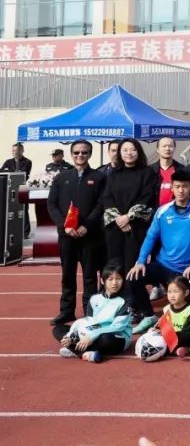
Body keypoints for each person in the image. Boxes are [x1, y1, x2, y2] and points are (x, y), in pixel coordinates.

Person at [129, 170, 190, 329]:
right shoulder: (162, 211)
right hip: (164, 265)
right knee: (133, 278)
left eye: (185, 186)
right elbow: (151, 237)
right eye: (177, 186)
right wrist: (140, 261)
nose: (181, 190)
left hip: (188, 269)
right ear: (171, 188)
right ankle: (149, 315)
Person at [100, 138, 160, 327]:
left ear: (138, 151)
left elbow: (148, 197)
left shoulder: (147, 173)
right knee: (115, 269)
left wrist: (129, 217)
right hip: (115, 229)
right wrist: (119, 218)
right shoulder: (113, 174)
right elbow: (107, 198)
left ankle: (143, 309)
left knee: (132, 271)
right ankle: (122, 308)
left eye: (132, 150)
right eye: (125, 150)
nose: (128, 153)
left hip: (136, 229)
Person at [47, 140, 105, 326]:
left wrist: (87, 225)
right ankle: (66, 311)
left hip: (89, 235)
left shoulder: (99, 177)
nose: (80, 155)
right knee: (68, 275)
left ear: (90, 154)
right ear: (71, 154)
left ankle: (90, 311)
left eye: (84, 152)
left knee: (90, 276)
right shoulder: (61, 177)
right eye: (77, 152)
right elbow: (52, 205)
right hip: (67, 235)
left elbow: (102, 204)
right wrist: (64, 225)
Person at [55, 263, 132, 363]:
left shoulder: (126, 300)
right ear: (102, 281)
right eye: (110, 279)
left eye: (118, 279)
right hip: (94, 331)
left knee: (105, 339)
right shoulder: (94, 298)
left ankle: (76, 349)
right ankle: (87, 352)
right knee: (58, 329)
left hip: (117, 335)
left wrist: (92, 336)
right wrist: (71, 335)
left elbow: (118, 327)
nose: (114, 283)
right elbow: (89, 322)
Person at [155, 276, 190, 359]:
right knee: (154, 335)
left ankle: (180, 348)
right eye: (169, 292)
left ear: (186, 293)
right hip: (171, 336)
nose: (172, 295)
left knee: (183, 337)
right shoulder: (166, 309)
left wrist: (168, 335)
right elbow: (162, 324)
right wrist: (155, 329)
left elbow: (186, 329)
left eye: (176, 291)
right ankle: (180, 350)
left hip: (188, 336)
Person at [154, 137, 178, 207]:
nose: (167, 149)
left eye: (170, 146)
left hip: (175, 210)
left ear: (174, 148)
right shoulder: (150, 171)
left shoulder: (182, 170)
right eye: (164, 146)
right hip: (155, 211)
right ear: (157, 149)